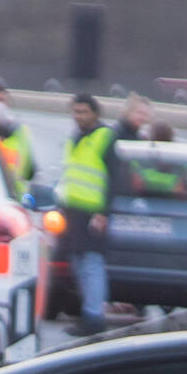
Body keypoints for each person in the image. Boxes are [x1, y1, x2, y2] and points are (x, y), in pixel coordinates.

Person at [57, 91, 116, 325]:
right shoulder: (75, 137)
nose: (78, 116)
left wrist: (104, 213)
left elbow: (115, 178)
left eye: (83, 112)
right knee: (78, 263)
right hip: (73, 212)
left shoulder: (104, 137)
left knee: (91, 265)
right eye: (75, 111)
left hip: (93, 214)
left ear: (95, 113)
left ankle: (94, 318)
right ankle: (88, 314)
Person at [0, 79, 36, 194]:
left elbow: (30, 173)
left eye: (1, 100)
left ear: (7, 103)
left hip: (14, 200)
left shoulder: (21, 133)